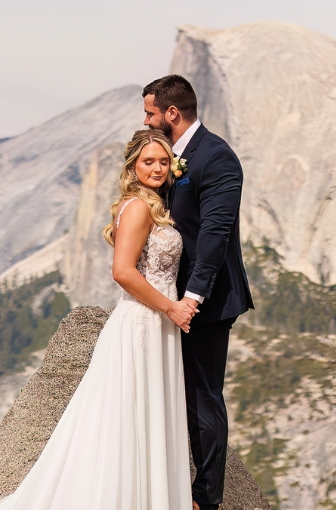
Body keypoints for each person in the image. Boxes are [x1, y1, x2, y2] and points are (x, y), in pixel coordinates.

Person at [0, 129, 196, 510]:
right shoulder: (138, 207)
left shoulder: (154, 205)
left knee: (149, 412)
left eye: (164, 161)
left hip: (159, 323)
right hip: (143, 321)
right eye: (149, 161)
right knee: (127, 414)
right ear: (133, 165)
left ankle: (157, 493)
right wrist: (171, 307)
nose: (158, 168)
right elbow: (124, 273)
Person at [143, 75, 254, 510]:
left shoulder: (217, 157)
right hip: (169, 297)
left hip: (203, 303)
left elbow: (215, 234)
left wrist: (192, 298)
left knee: (202, 398)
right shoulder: (172, 157)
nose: (147, 120)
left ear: (172, 113)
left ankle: (206, 499)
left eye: (151, 113)